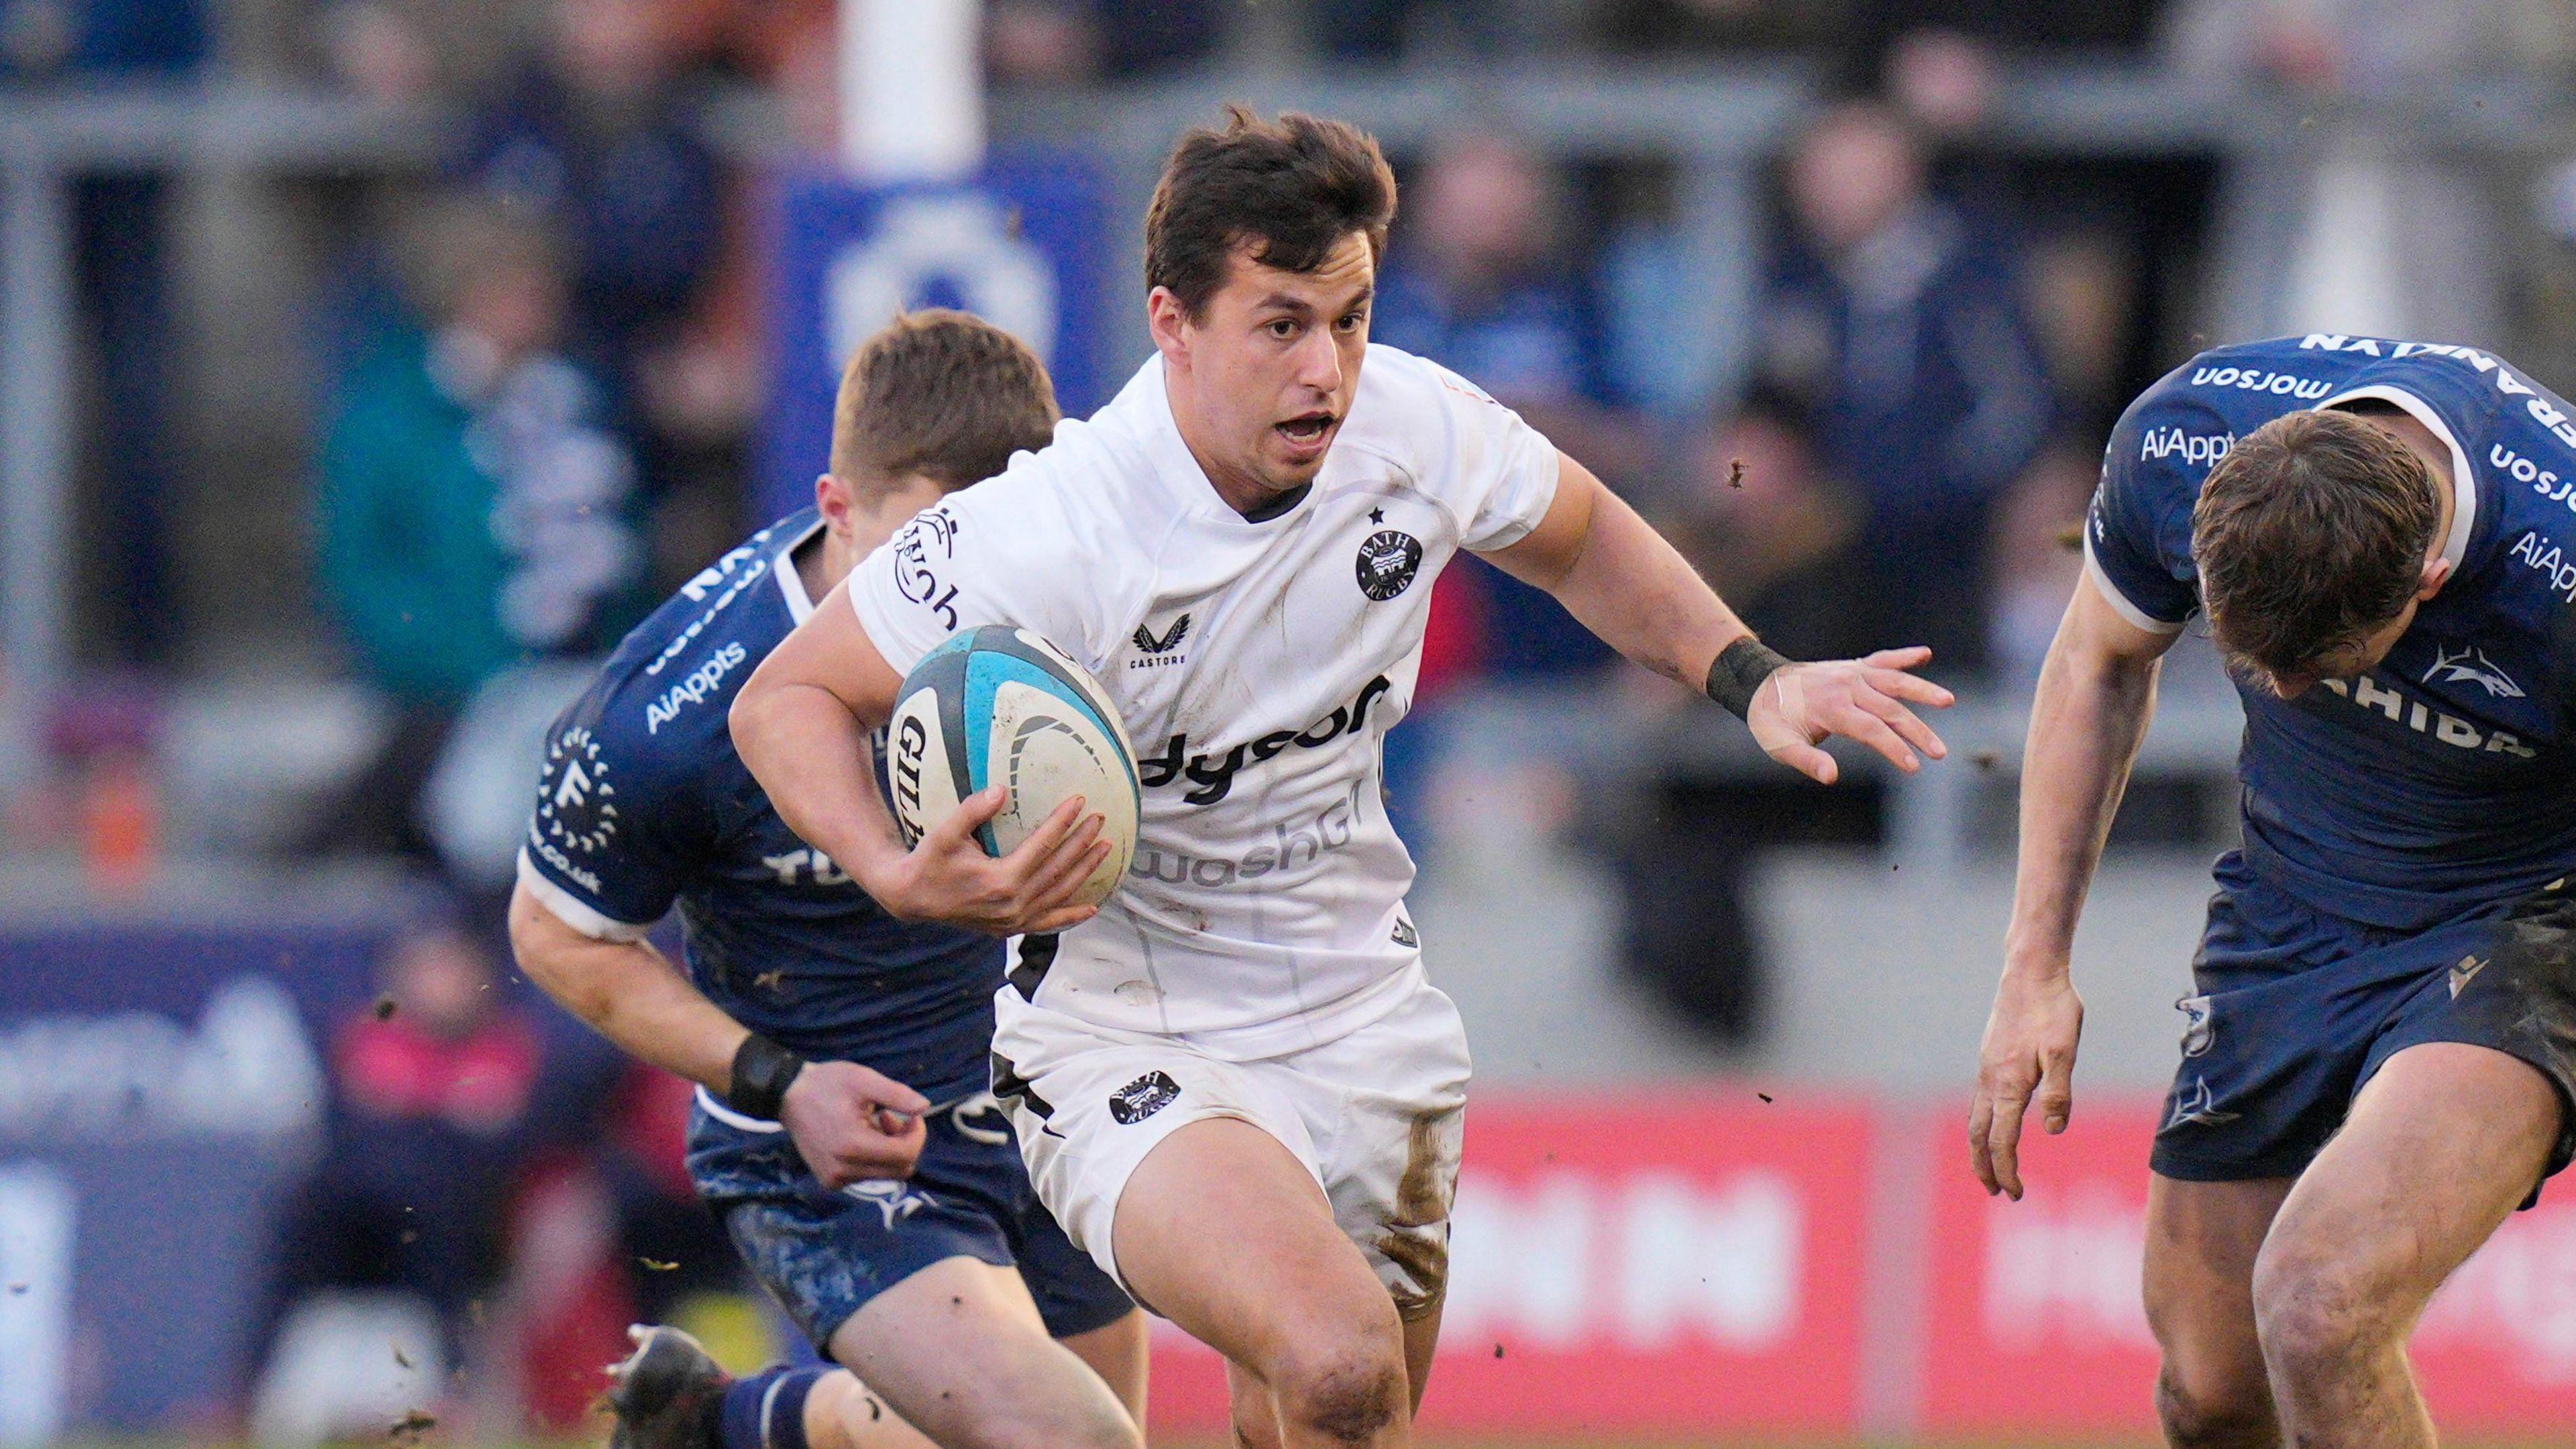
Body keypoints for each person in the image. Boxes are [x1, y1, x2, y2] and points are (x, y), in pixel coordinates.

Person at [727, 109, 1953, 1449]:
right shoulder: (1049, 527)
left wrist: (1750, 675)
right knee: (1340, 1355)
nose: (1327, 369)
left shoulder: (1411, 425)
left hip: (1365, 1014)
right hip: (1129, 1031)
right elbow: (785, 698)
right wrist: (893, 869)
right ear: (1173, 322)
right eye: (1282, 325)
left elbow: (1580, 536)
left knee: (1336, 1415)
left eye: (1352, 319)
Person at [506, 311, 1146, 1449]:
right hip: (839, 1152)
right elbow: (555, 935)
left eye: (991, 554)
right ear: (837, 510)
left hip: (1052, 1099)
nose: (955, 598)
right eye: (920, 554)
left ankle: (718, 1426)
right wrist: (778, 1080)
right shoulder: (671, 715)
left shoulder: (1088, 597)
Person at [1972, 333, 2576, 1448]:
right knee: (2209, 1393)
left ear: (2431, 579)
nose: (2287, 690)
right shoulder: (2182, 440)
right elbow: (2100, 660)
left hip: (2527, 915)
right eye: (2255, 662)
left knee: (2317, 1304)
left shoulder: (2564, 567)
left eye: (2322, 663)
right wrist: (2035, 966)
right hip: (2292, 903)